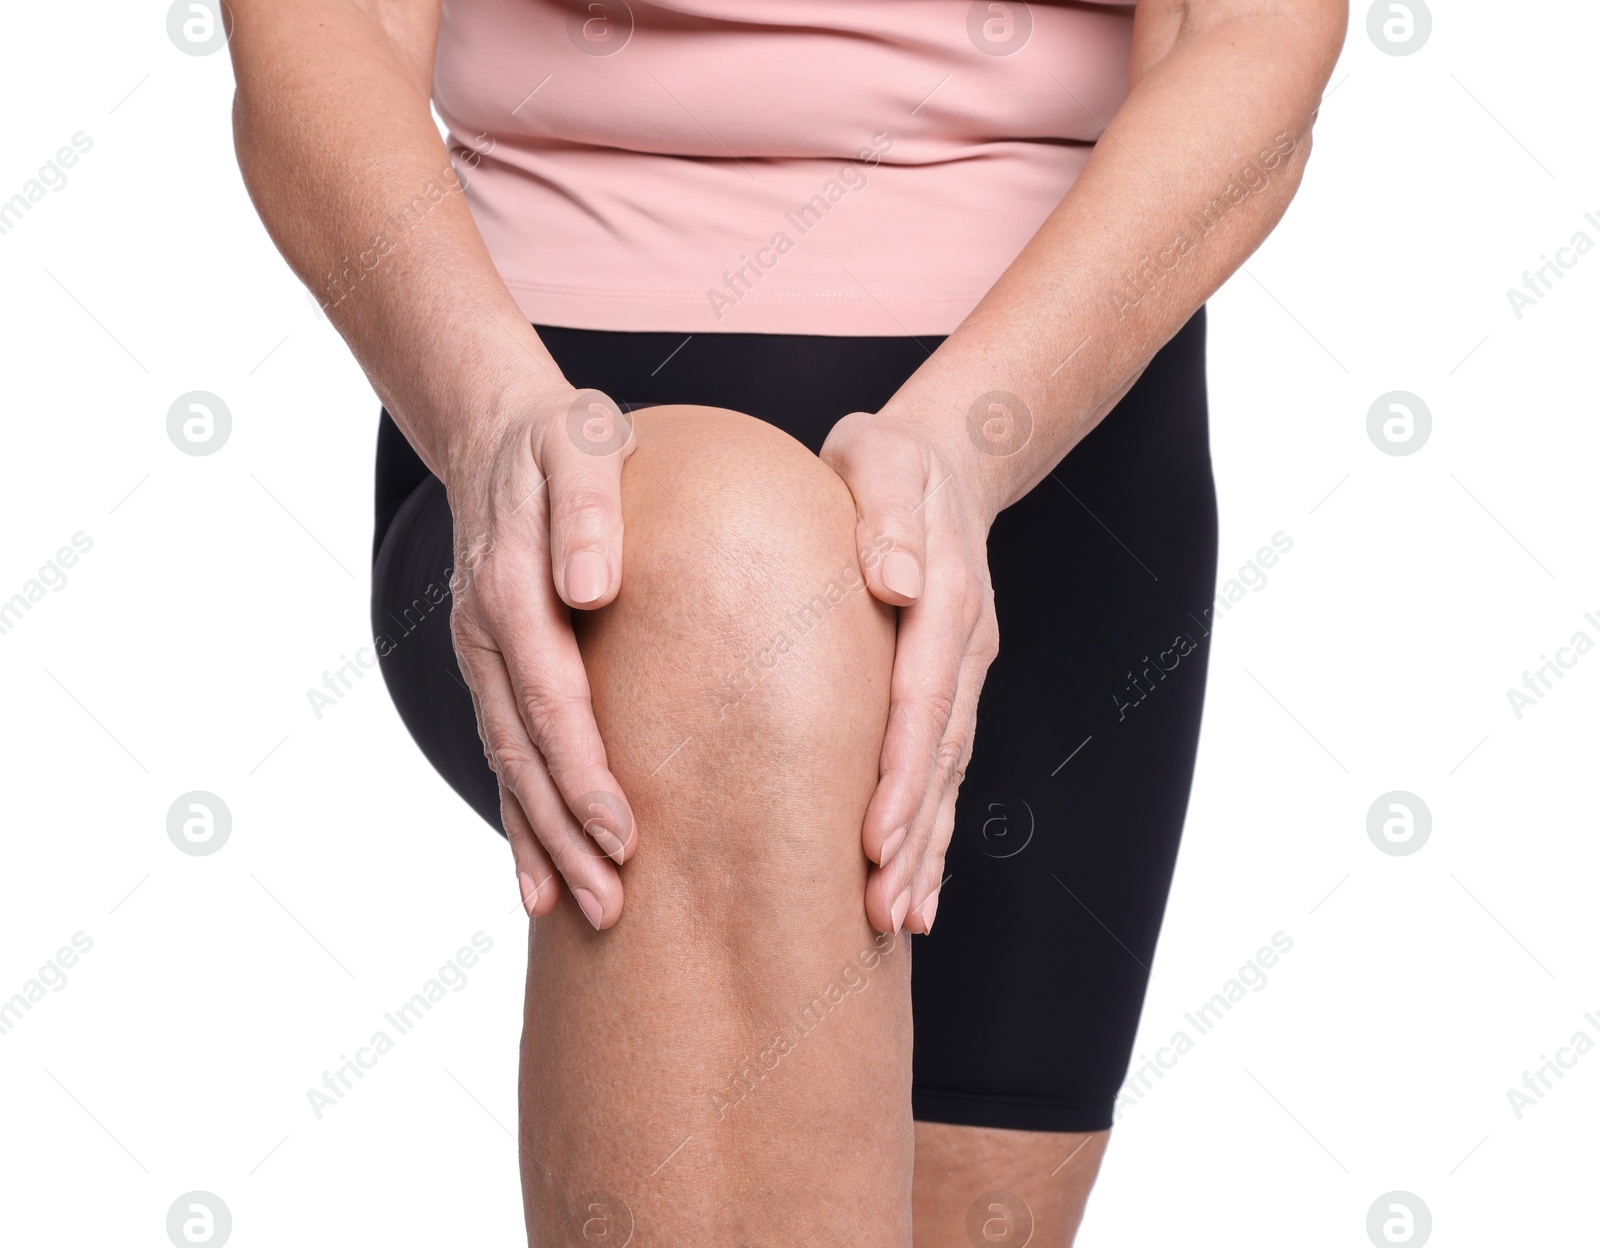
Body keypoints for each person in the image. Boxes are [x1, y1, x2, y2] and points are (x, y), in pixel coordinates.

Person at [229, 1, 1345, 1242]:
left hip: (1065, 439)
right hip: (553, 439)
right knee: (735, 570)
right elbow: (324, 37)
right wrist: (491, 425)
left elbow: (1239, 39)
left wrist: (965, 454)